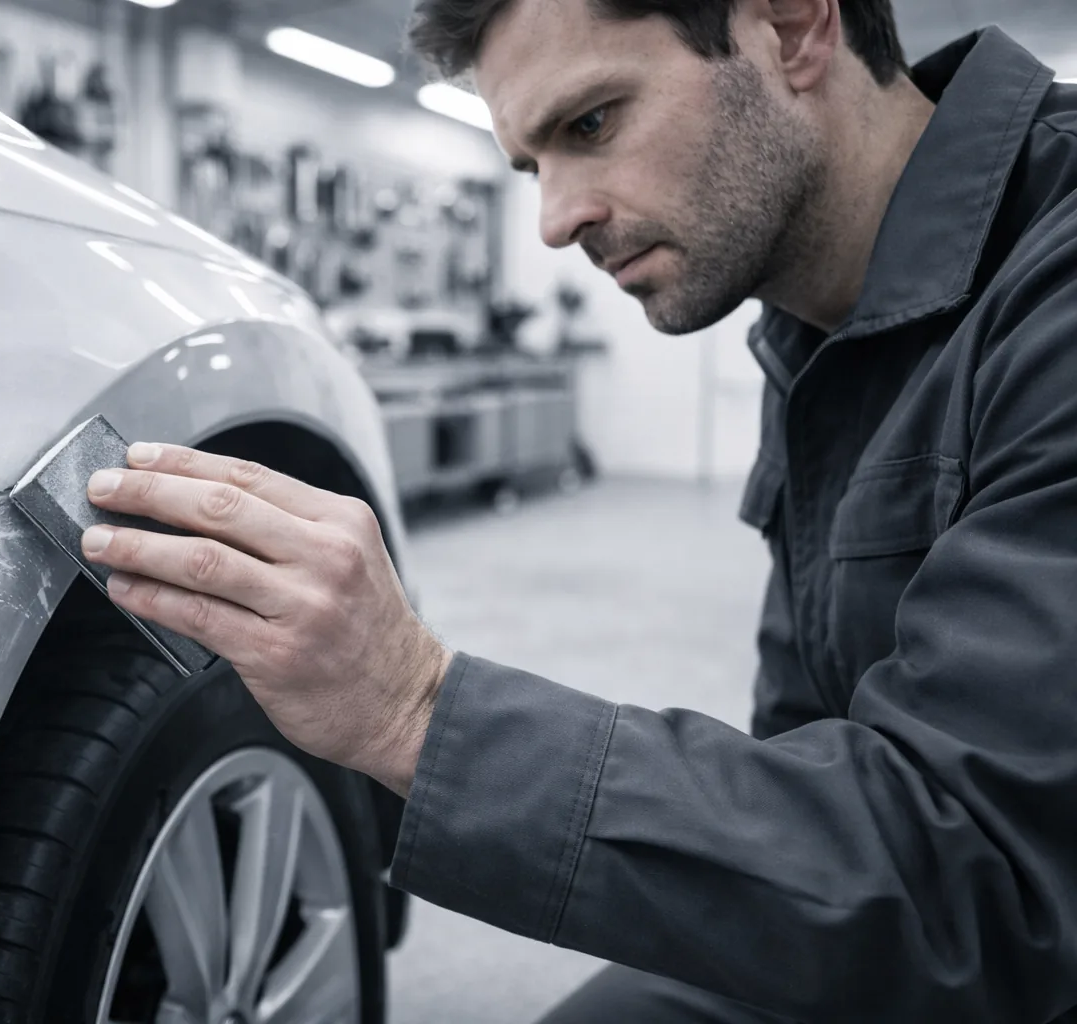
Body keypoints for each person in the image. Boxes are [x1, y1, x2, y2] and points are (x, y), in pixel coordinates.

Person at [72, 0, 1077, 1019]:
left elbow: (989, 885)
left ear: (792, 26)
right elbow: (810, 749)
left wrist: (416, 708)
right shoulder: (815, 326)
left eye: (591, 123)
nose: (556, 220)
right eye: (530, 166)